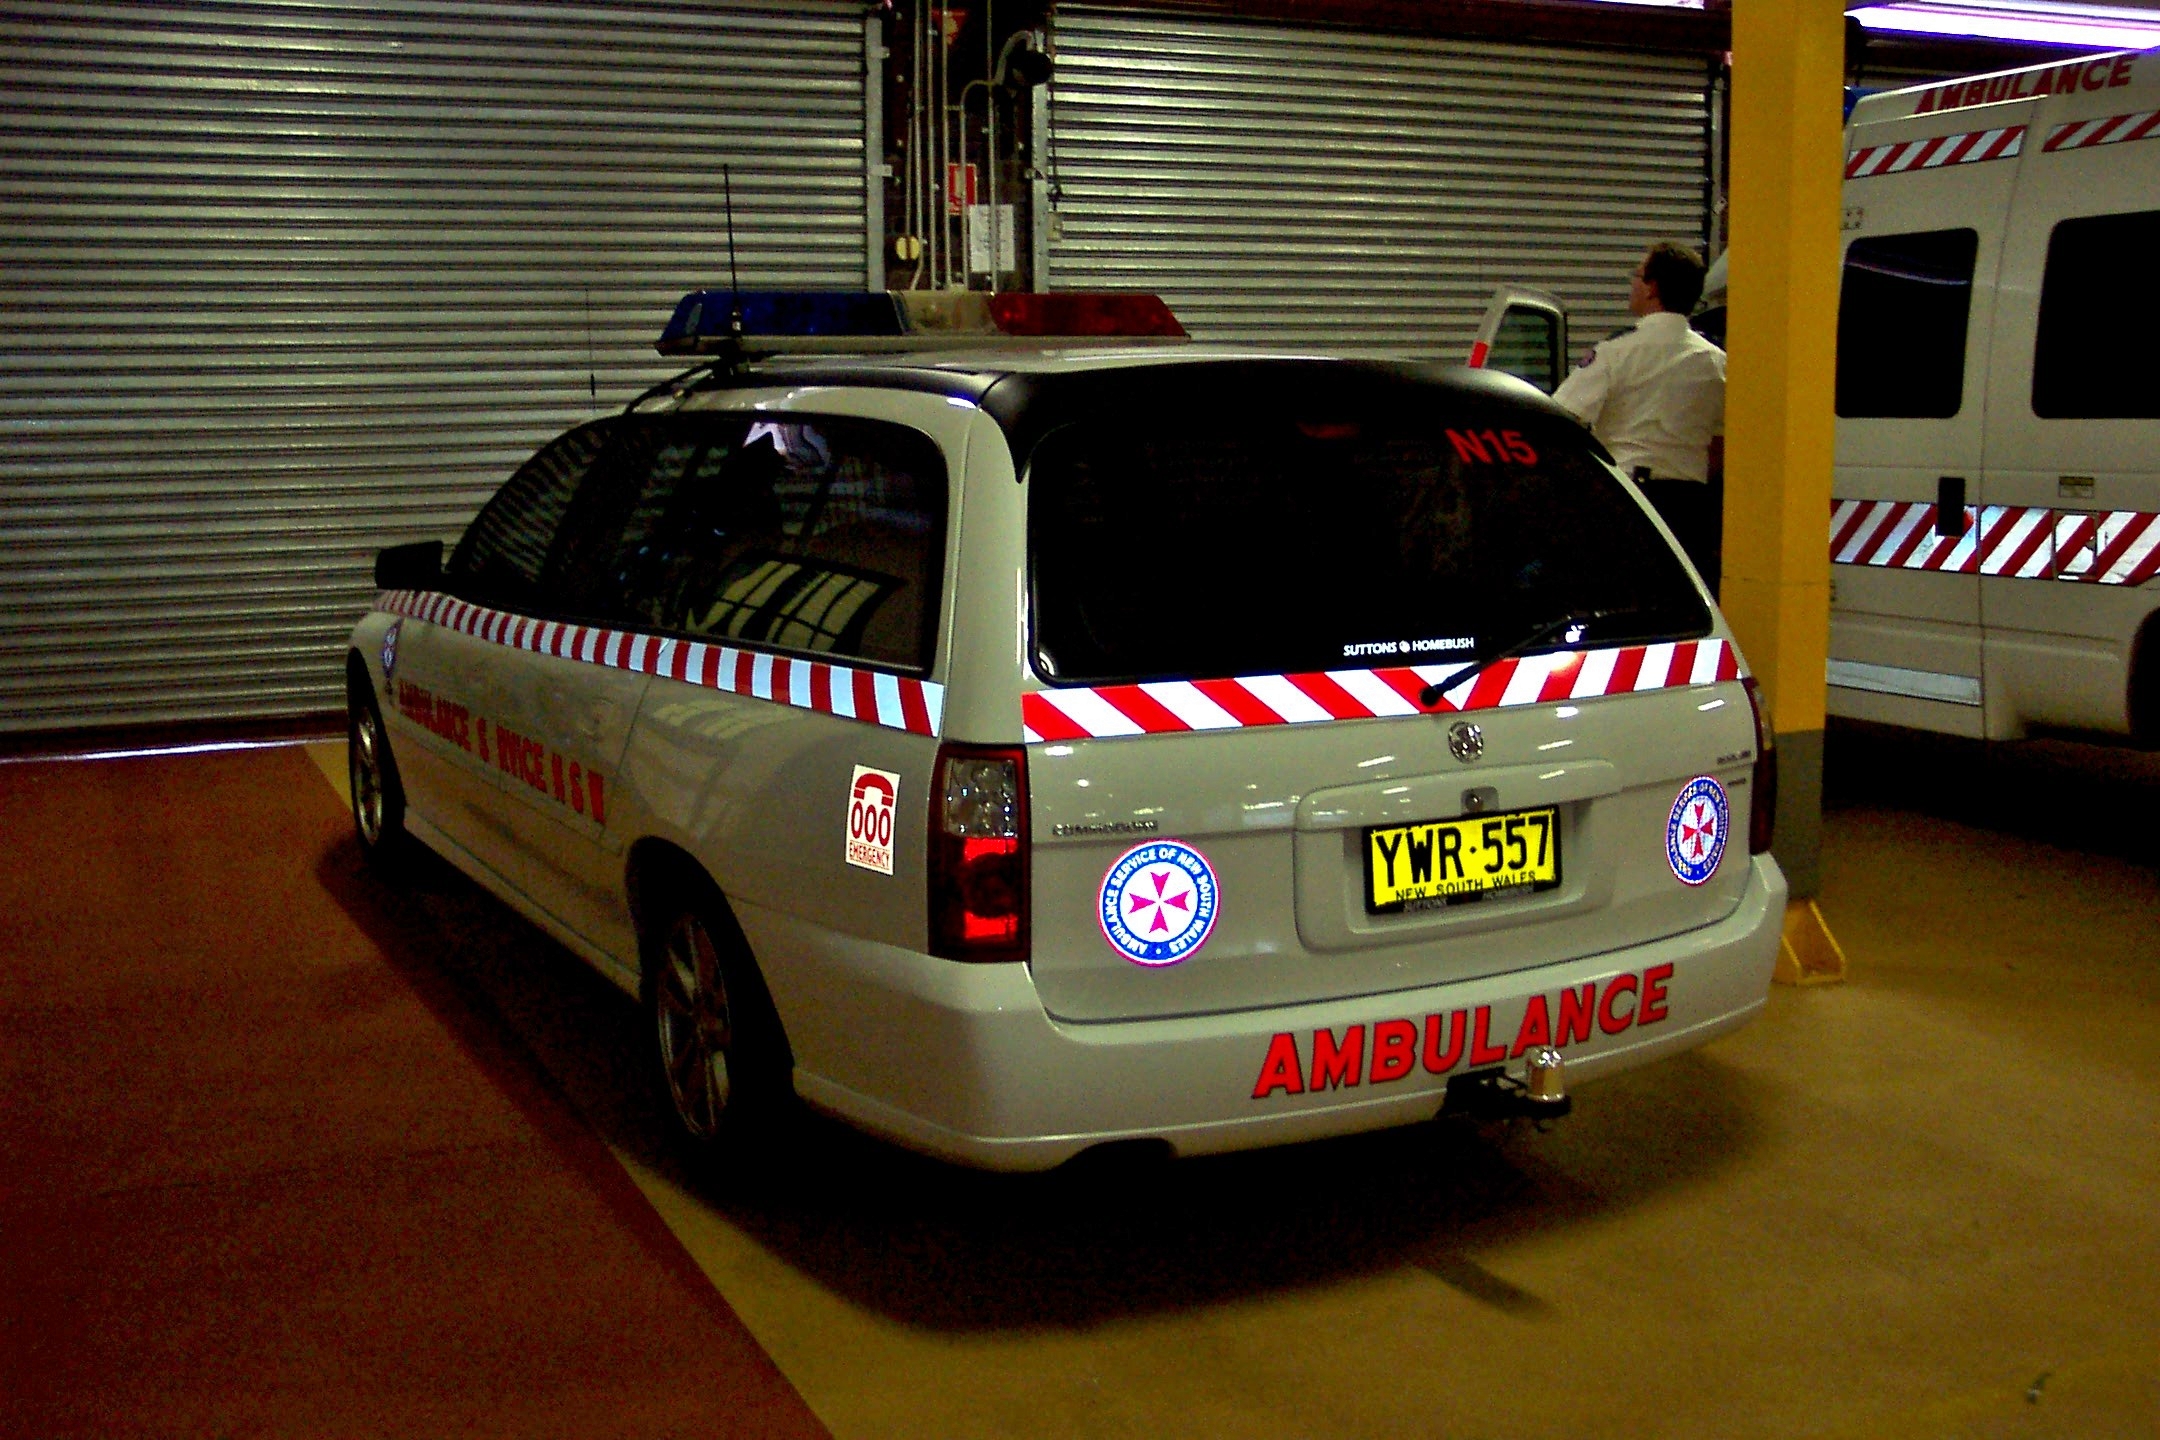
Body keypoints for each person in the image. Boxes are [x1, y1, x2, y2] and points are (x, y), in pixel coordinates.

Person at [1553, 242, 1727, 594]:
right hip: (1691, 510)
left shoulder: (1617, 352)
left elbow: (1561, 418)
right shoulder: (1717, 362)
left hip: (1628, 502)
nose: (1632, 283)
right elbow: (1719, 448)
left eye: (1636, 275)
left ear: (1652, 287)